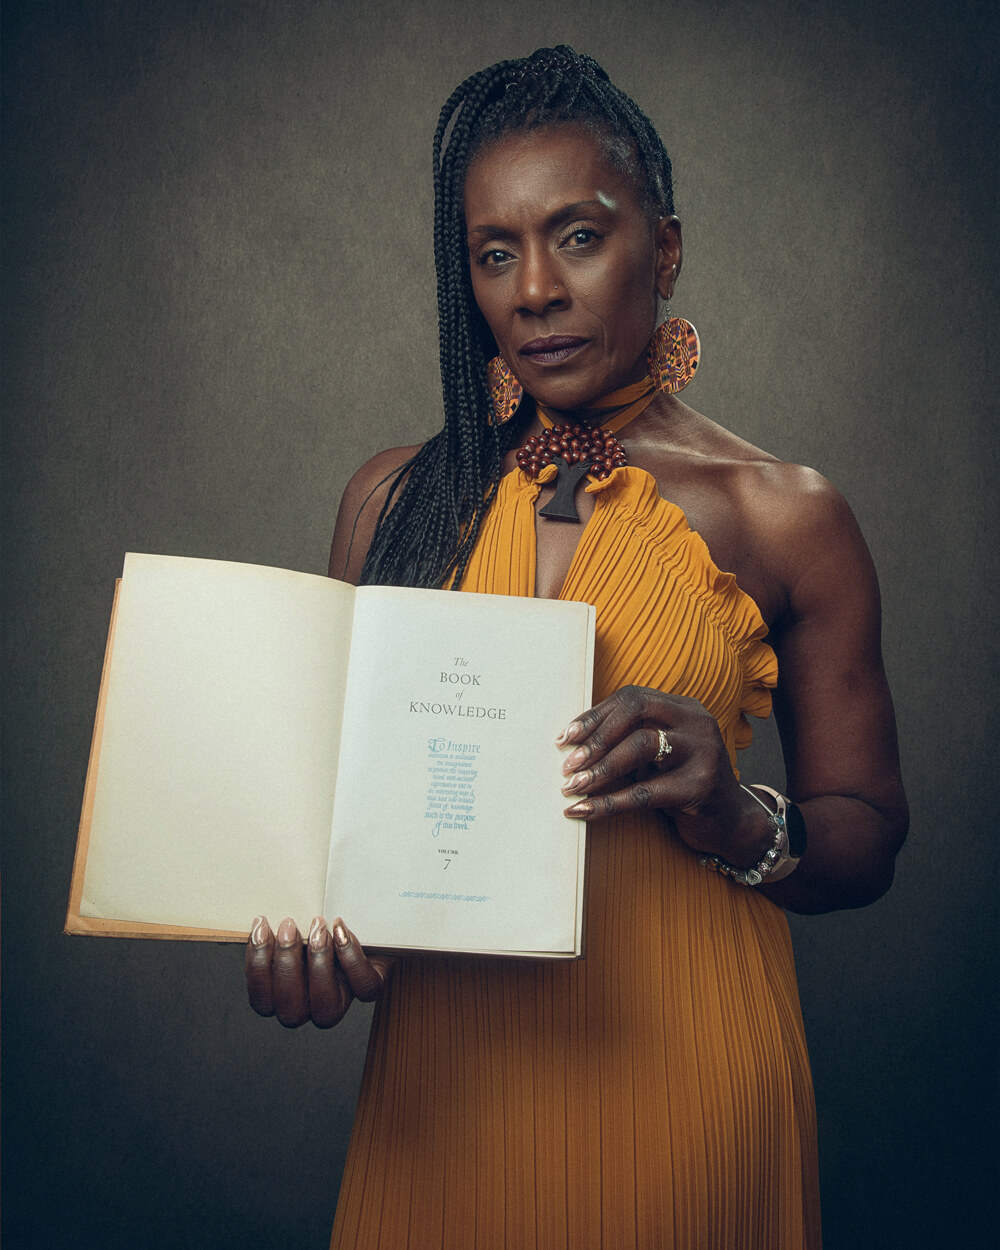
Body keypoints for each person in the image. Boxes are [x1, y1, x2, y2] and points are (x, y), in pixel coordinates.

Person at [245, 46, 907, 1249]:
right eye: (495, 252)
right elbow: (322, 832)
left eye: (578, 236)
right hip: (444, 1094)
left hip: (687, 1080)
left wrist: (732, 814)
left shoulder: (783, 513)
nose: (534, 289)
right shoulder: (394, 498)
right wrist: (305, 943)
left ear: (662, 248)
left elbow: (863, 835)